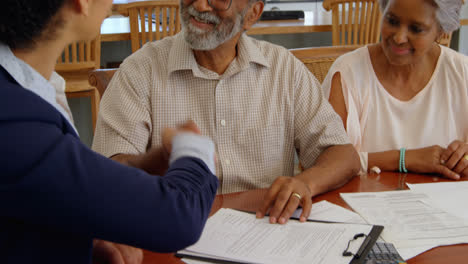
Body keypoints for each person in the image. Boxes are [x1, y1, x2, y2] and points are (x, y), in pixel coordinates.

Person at [92, 0, 360, 225]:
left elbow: (342, 154)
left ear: (252, 13)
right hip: (176, 231)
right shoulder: (140, 72)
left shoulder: (284, 70)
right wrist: (157, 159)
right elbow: (106, 177)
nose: (198, 4)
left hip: (267, 230)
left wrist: (305, 184)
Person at [0, 0, 219, 263]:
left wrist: (75, 242)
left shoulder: (26, 94)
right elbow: (179, 217)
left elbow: (41, 195)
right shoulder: (16, 119)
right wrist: (193, 149)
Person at [323, 0, 468, 179]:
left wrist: (464, 157)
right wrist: (404, 159)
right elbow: (326, 165)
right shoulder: (347, 73)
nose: (399, 38)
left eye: (416, 29)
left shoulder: (462, 72)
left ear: (441, 31)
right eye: (392, 21)